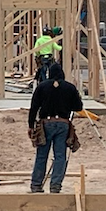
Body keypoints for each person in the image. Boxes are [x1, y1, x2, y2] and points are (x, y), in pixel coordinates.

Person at [27, 63, 83, 193]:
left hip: (45, 124)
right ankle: (55, 185)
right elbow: (78, 107)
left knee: (42, 155)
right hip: (63, 124)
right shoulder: (70, 88)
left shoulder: (42, 87)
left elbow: (34, 107)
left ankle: (36, 185)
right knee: (60, 156)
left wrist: (30, 126)